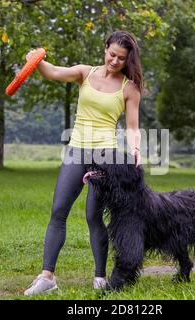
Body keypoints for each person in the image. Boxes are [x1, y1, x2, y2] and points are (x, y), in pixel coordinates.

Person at [24, 31, 143, 295]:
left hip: (105, 157)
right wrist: (34, 60)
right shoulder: (84, 73)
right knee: (58, 211)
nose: (114, 61)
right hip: (76, 150)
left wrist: (136, 149)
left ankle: (100, 277)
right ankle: (47, 276)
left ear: (127, 60)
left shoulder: (129, 88)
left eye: (121, 59)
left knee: (93, 216)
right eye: (112, 54)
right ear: (105, 49)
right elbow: (52, 72)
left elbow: (133, 127)